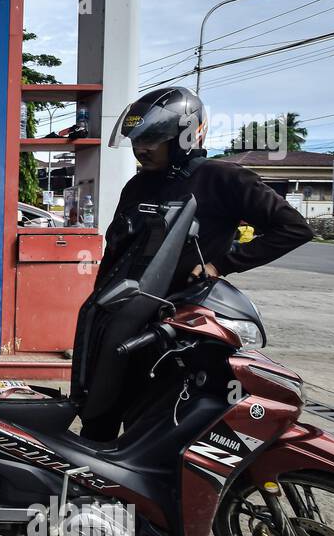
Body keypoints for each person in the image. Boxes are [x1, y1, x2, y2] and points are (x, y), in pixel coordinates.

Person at [83, 86, 313, 440]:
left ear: (185, 136)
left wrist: (223, 264)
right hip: (126, 314)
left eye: (155, 138)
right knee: (100, 412)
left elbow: (294, 229)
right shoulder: (138, 185)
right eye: (137, 139)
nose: (142, 148)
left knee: (158, 423)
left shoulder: (224, 178)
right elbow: (117, 249)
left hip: (182, 326)